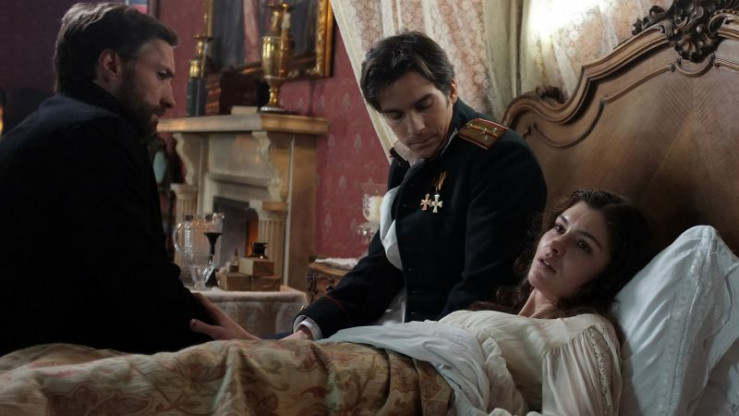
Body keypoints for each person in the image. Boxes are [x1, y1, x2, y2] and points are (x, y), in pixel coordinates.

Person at [186, 188, 653, 415]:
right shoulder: (502, 312)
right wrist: (270, 347)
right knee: (215, 370)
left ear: (605, 277)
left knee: (216, 380)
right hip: (375, 370)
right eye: (559, 227)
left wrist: (485, 388)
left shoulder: (584, 333)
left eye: (583, 246)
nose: (556, 245)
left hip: (411, 391)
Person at [289, 31, 547, 340]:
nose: (416, 128)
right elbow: (380, 265)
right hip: (395, 328)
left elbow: (483, 287)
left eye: (424, 105)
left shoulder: (500, 158)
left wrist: (410, 349)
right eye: (396, 115)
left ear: (451, 90)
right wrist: (308, 329)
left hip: (443, 341)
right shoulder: (408, 158)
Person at [0, 3, 212, 355]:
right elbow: (141, 285)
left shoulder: (52, 121)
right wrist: (221, 342)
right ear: (111, 65)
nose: (171, 99)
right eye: (161, 75)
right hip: (44, 349)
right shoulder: (97, 133)